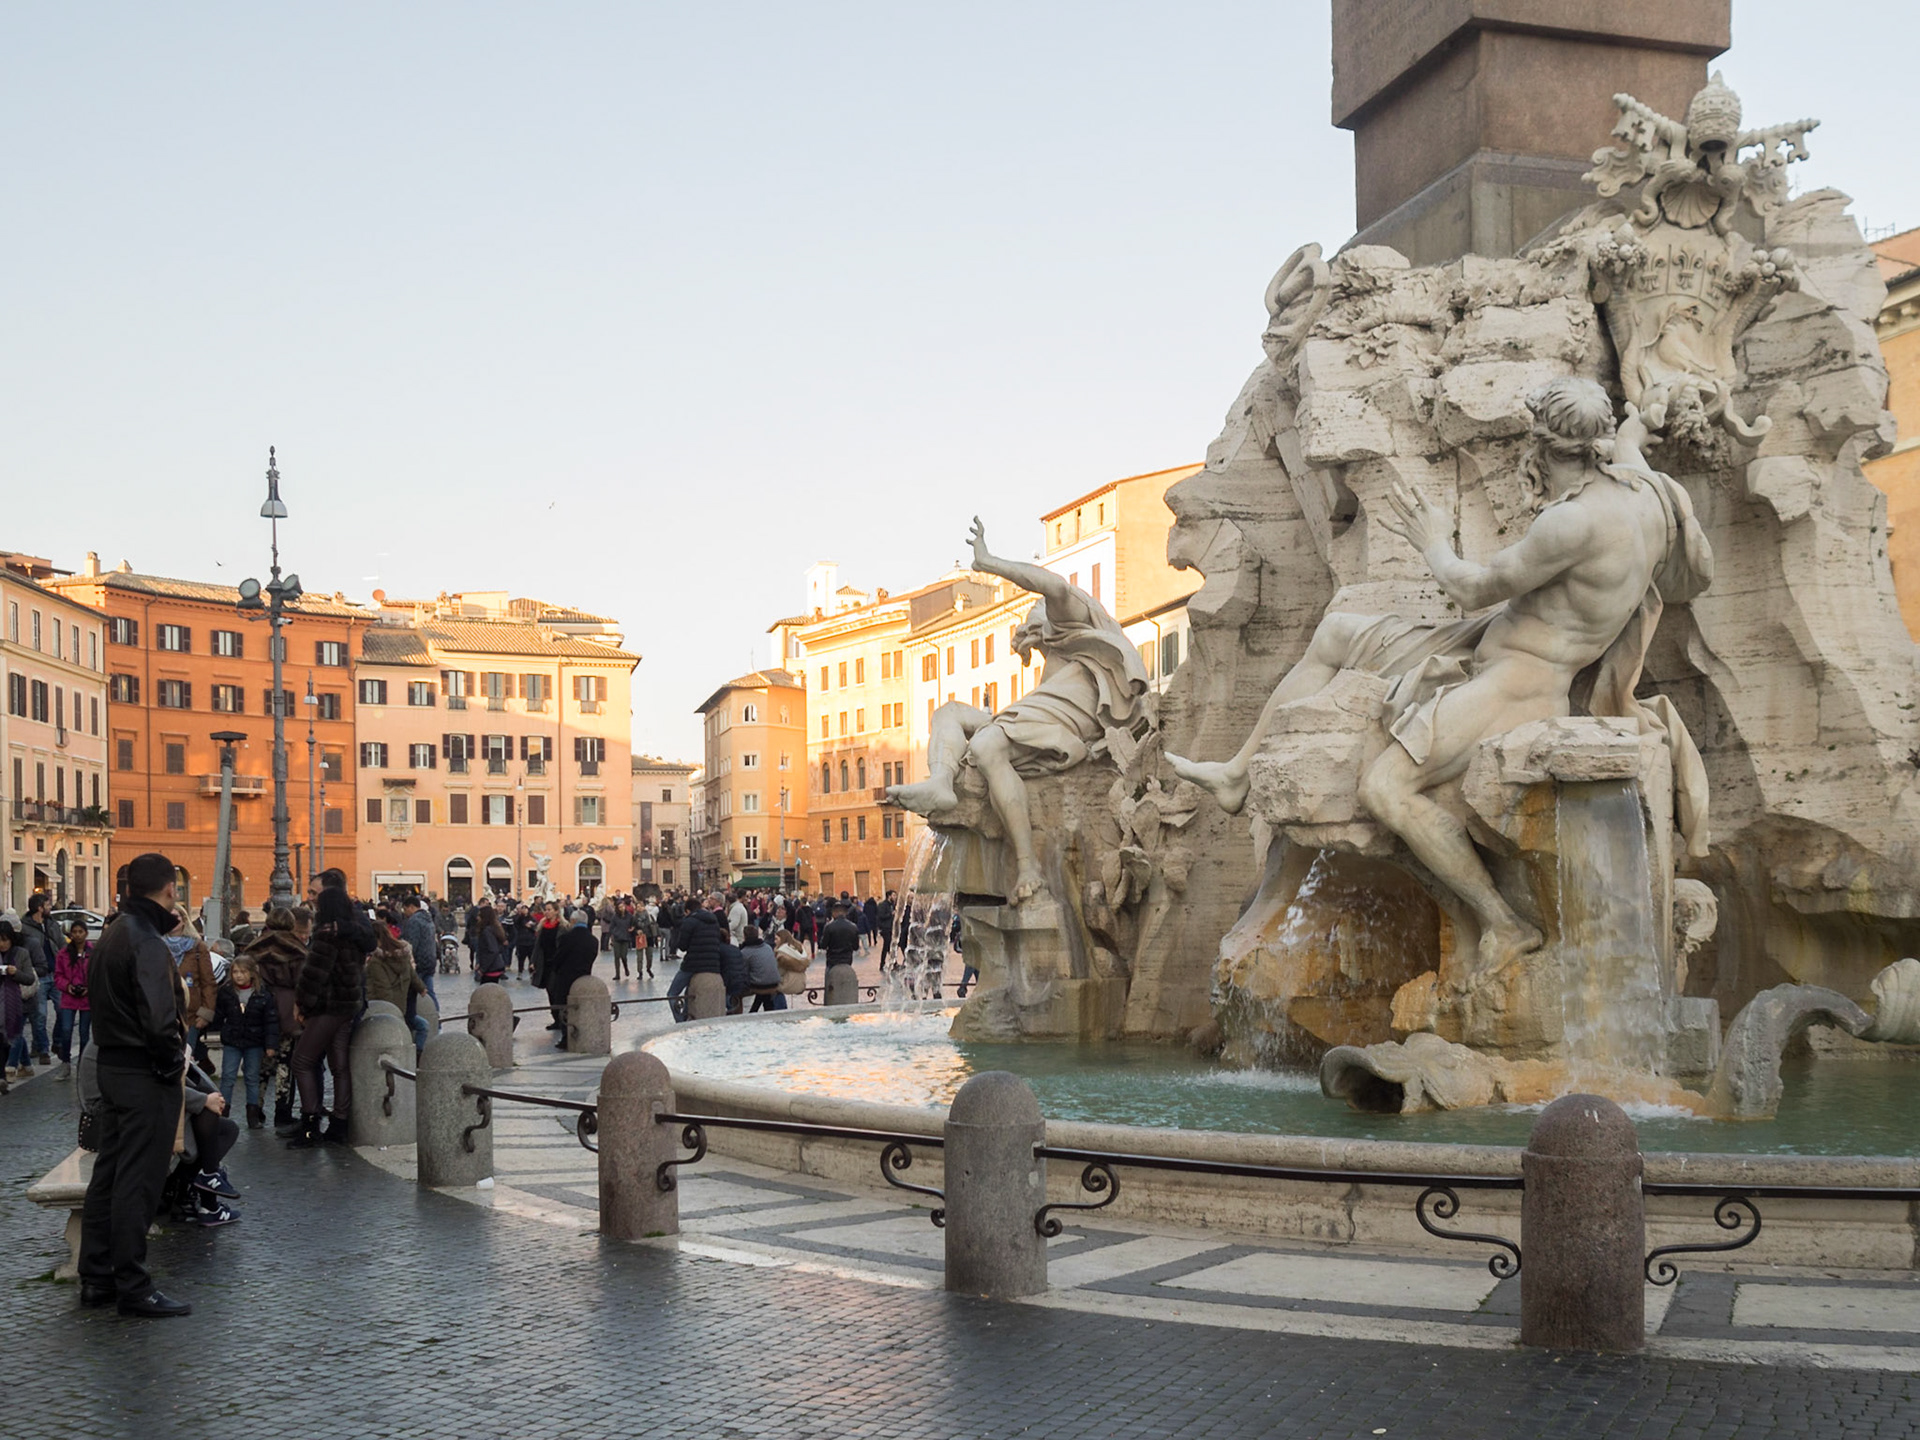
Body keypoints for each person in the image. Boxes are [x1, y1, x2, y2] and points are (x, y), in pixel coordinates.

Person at [1169, 380, 1713, 986]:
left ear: (1541, 445)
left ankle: (1503, 922)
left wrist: (1430, 541)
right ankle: (1237, 773)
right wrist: (1642, 426)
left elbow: (1472, 586)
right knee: (1337, 633)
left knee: (1384, 789)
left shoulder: (1573, 525)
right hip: (1485, 641)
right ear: (1598, 442)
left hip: (1521, 682)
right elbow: (1633, 449)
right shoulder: (1645, 492)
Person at [889, 517, 1152, 906]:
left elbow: (1054, 586)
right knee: (948, 712)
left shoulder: (1071, 615)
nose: (1025, 634)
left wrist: (989, 563)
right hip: (1037, 717)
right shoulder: (1057, 658)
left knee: (988, 743)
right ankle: (941, 782)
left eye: (1032, 624)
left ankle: (1027, 865)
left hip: (1069, 719)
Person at [78, 852, 193, 1317]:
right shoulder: (145, 941)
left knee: (110, 1174)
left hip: (114, 1065)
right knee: (137, 1181)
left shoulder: (114, 934)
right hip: (144, 1072)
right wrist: (171, 1067)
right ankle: (133, 1284)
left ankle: (98, 1276)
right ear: (169, 891)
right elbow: (160, 1020)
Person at [289, 870, 374, 1147]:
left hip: (328, 1007)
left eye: (317, 896)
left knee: (301, 1061)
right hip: (348, 1005)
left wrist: (301, 1004)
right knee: (340, 1067)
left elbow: (314, 975)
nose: (312, 901)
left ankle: (310, 1125)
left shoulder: (327, 934)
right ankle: (339, 1123)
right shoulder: (352, 931)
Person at [246, 906, 308, 1134]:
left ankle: (255, 1108)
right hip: (287, 1008)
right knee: (285, 1061)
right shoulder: (296, 949)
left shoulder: (254, 947)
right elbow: (303, 983)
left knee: (261, 1063)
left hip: (259, 1008)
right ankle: (283, 1112)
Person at [211, 956, 278, 1127]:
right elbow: (219, 1014)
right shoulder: (226, 992)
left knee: (251, 1078)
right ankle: (222, 1113)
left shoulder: (263, 993)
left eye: (243, 972)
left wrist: (270, 1044)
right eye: (235, 972)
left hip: (254, 1041)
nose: (238, 976)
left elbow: (270, 1020)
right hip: (233, 1039)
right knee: (228, 1077)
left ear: (252, 974)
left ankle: (253, 1115)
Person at [367, 918, 430, 1052]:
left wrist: (392, 1013)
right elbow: (412, 973)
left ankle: (414, 1055)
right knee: (422, 1026)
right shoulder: (402, 954)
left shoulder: (376, 962)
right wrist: (422, 988)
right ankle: (417, 1053)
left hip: (387, 1009)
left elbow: (383, 989)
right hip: (403, 1005)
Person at [544, 912, 599, 1048]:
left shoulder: (567, 938)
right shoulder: (593, 940)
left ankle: (566, 1038)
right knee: (581, 1008)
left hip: (565, 978)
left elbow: (559, 957)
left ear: (573, 921)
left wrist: (555, 970)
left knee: (565, 1008)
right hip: (584, 977)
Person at [667, 896, 725, 1021]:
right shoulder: (713, 919)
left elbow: (682, 946)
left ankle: (680, 1020)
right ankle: (688, 1015)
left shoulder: (689, 921)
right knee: (688, 993)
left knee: (672, 994)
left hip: (693, 964)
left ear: (687, 911)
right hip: (713, 963)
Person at [52, 919, 93, 1078]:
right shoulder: (63, 953)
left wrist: (88, 988)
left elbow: (95, 974)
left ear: (86, 933)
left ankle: (82, 1063)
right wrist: (67, 986)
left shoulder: (92, 952)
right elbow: (58, 975)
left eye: (80, 932)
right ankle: (65, 1062)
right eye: (74, 932)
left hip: (86, 998)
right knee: (66, 1030)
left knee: (84, 1033)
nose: (77, 935)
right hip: (68, 997)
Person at [22, 892, 59, 1065]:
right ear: (39, 908)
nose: (50, 907)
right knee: (40, 1016)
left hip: (56, 974)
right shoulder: (25, 928)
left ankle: (56, 1042)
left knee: (63, 1011)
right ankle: (43, 1050)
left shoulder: (52, 924)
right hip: (39, 976)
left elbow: (62, 944)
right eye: (48, 905)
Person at [1, 921, 34, 1083]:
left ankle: (11, 1067)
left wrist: (16, 973)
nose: (2, 944)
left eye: (5, 939)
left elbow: (30, 978)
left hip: (17, 1002)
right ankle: (25, 1065)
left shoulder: (21, 953)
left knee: (14, 1034)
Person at [400, 895, 439, 1004]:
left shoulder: (414, 921)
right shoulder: (428, 918)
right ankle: (435, 1014)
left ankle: (413, 1016)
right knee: (429, 991)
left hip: (419, 961)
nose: (404, 912)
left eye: (405, 909)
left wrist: (409, 960)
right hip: (430, 959)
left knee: (412, 992)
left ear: (411, 907)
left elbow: (412, 943)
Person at [741, 926, 784, 1012]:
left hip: (760, 985)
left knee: (760, 989)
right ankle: (766, 1011)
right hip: (774, 983)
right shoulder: (767, 947)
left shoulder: (745, 952)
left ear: (745, 937)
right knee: (765, 997)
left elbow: (744, 972)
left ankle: (753, 1012)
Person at [821, 902, 860, 989]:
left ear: (834, 913)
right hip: (847, 959)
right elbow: (856, 947)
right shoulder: (853, 927)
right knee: (847, 982)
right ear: (846, 913)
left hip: (832, 960)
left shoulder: (829, 927)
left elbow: (823, 945)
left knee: (829, 983)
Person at [472, 903, 510, 985]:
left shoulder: (486, 931)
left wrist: (483, 968)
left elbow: (493, 950)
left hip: (490, 968)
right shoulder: (494, 929)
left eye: (479, 916)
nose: (477, 918)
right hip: (494, 966)